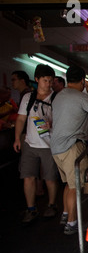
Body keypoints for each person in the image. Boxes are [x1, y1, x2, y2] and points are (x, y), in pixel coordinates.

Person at [50, 65, 88, 235]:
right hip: (71, 146)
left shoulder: (59, 96)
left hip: (56, 148)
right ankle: (72, 223)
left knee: (69, 183)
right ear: (83, 81)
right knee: (76, 187)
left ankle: (65, 214)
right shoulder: (81, 97)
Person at [13, 64, 60, 223]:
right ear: (37, 80)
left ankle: (52, 205)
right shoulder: (28, 98)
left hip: (49, 145)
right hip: (30, 144)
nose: (48, 84)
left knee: (50, 178)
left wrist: (52, 125)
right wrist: (17, 138)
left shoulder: (56, 98)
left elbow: (62, 122)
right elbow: (21, 119)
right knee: (28, 176)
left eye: (50, 81)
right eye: (45, 80)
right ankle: (31, 208)